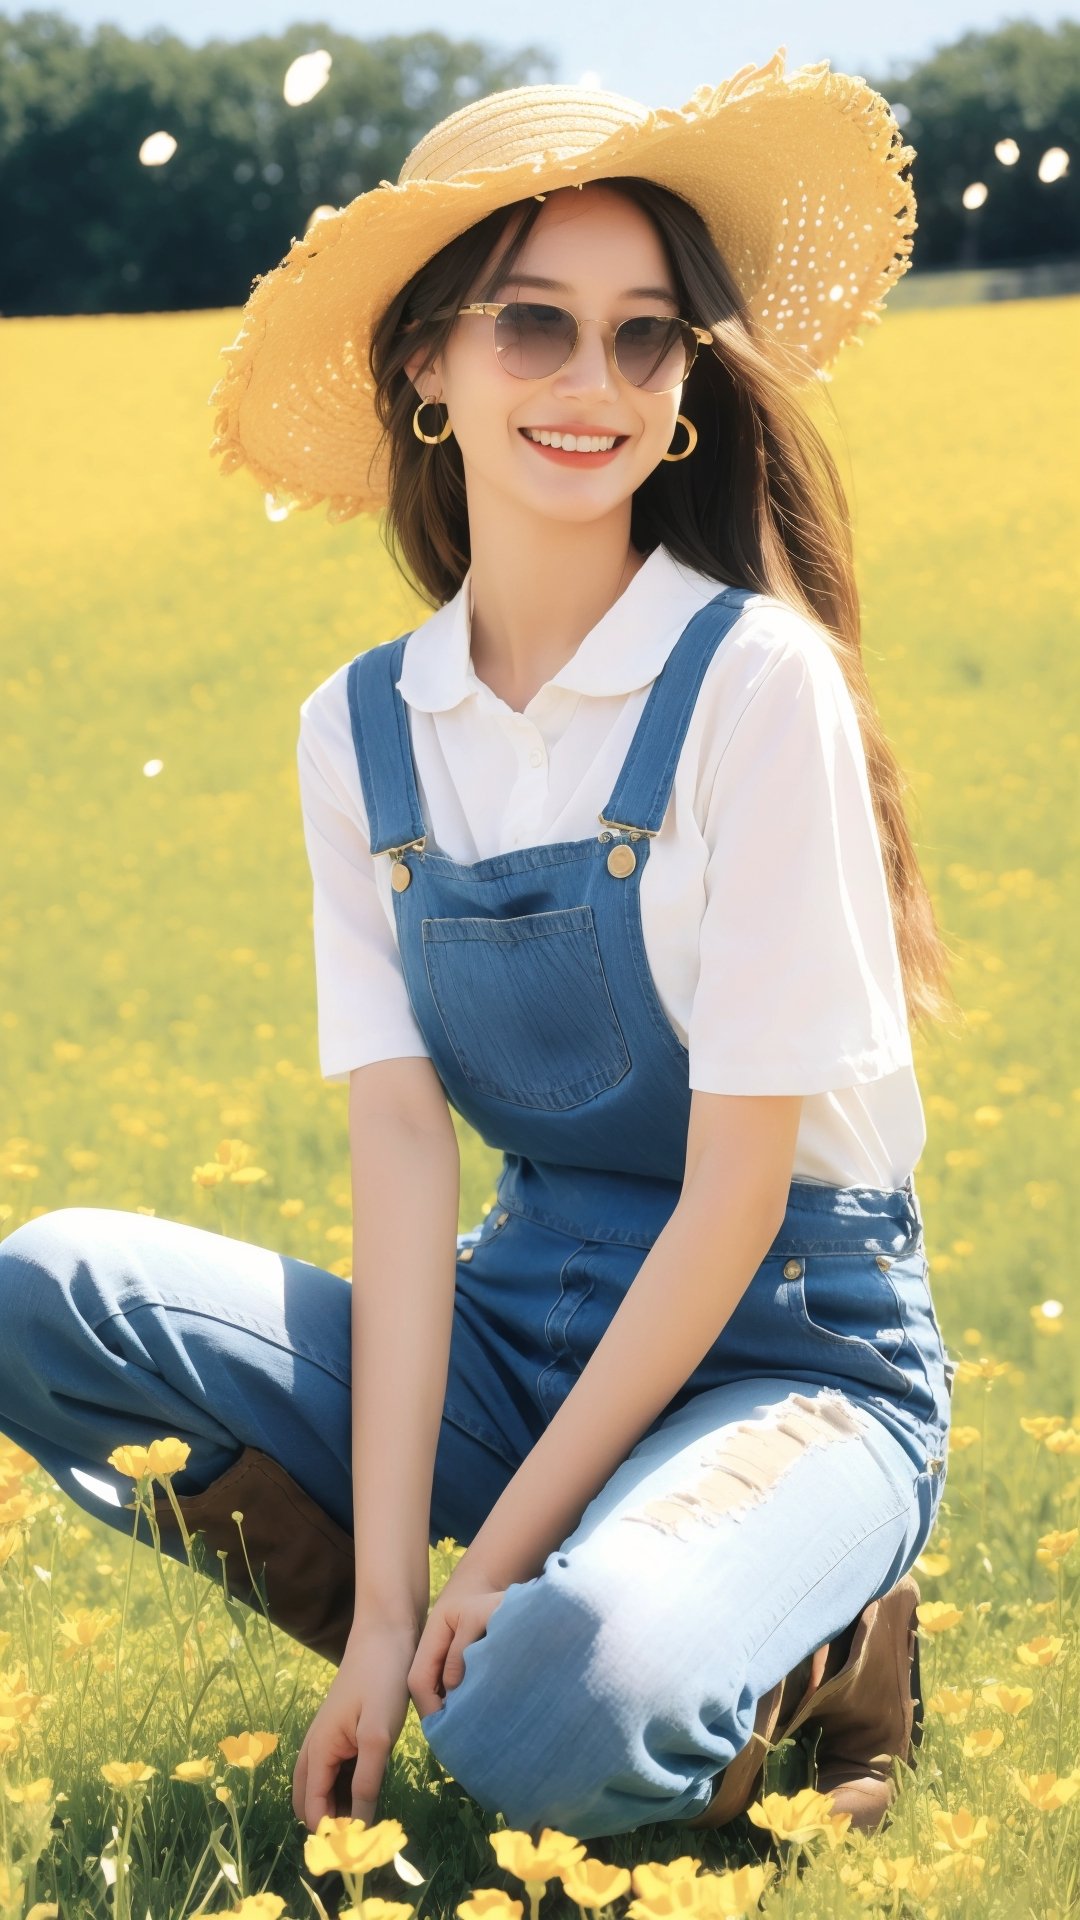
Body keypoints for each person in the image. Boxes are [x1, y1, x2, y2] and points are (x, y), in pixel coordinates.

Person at [0, 52, 960, 1847]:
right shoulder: (363, 732)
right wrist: (379, 1613)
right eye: (533, 326)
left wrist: (490, 1559)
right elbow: (399, 1153)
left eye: (644, 338)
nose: (592, 383)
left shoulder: (759, 686)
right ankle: (496, 1636)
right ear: (427, 367)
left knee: (562, 1716)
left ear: (685, 392)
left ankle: (818, 1644)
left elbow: (737, 1198)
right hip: (529, 1322)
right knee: (49, 1295)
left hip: (788, 1347)